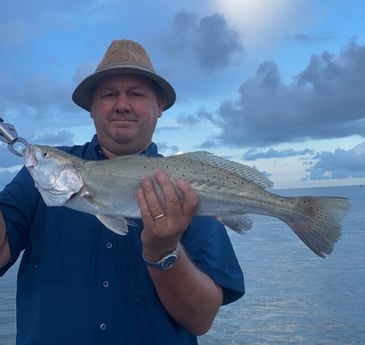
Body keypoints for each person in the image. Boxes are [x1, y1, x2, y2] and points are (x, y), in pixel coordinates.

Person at [0, 39, 244, 345]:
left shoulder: (185, 185)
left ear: (160, 107)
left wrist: (165, 252)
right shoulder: (34, 182)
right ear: (92, 107)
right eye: (109, 94)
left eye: (137, 94)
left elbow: (201, 319)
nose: (122, 104)